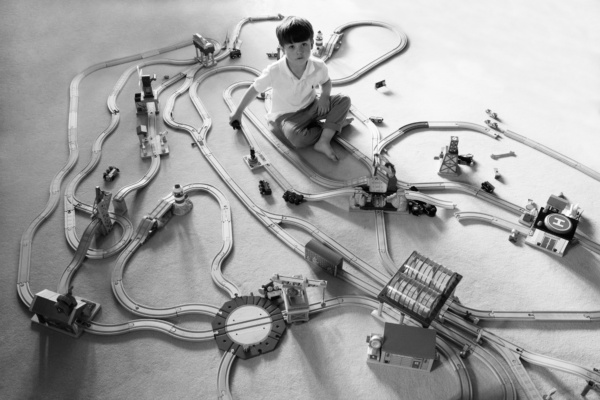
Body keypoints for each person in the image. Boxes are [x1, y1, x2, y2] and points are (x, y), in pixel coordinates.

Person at [229, 16, 352, 161]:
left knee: (344, 99)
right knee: (298, 139)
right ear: (283, 49)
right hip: (286, 117)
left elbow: (326, 82)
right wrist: (238, 112)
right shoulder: (274, 71)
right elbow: (254, 89)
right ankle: (333, 126)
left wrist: (325, 96)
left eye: (304, 45)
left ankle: (324, 140)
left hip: (312, 106)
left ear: (312, 44)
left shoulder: (318, 66)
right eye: (292, 47)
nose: (299, 51)